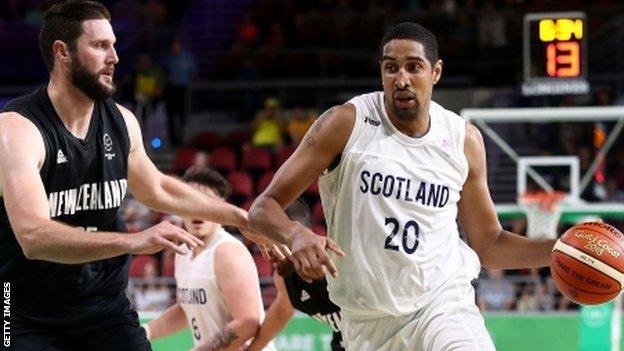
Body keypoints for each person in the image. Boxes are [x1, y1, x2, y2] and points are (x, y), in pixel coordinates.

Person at [249, 22, 557, 350]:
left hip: (442, 305)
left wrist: (560, 250)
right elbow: (261, 210)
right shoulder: (346, 123)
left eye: (414, 67)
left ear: (436, 72)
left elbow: (490, 244)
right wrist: (297, 233)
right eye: (390, 68)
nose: (401, 79)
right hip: (367, 320)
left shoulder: (462, 140)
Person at [0, 1, 269, 350]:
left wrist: (241, 218)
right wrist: (135, 240)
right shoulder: (17, 130)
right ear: (62, 52)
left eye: (113, 45)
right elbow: (33, 236)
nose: (114, 56)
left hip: (105, 309)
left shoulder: (122, 122)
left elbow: (156, 188)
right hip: (23, 312)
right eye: (100, 46)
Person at [142, 167, 275, 351]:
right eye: (191, 201)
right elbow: (185, 309)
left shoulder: (227, 251)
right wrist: (144, 332)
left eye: (205, 202)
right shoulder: (184, 252)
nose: (198, 209)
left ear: (220, 208)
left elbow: (248, 321)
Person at [246, 198, 344, 351]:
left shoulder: (340, 260)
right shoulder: (283, 277)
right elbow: (283, 310)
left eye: (268, 241)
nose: (264, 249)